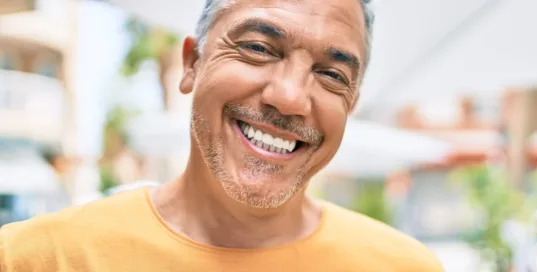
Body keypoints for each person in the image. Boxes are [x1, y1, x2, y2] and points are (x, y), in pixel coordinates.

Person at [0, 0, 444, 271]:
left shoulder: (405, 267)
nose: (290, 97)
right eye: (257, 48)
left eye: (331, 74)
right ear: (193, 63)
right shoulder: (34, 259)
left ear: (351, 102)